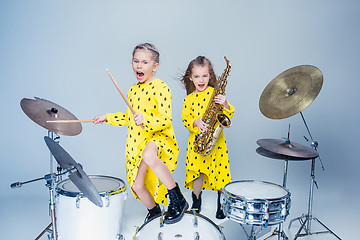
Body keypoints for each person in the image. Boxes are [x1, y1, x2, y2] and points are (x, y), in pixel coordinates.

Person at [93, 43, 188, 224]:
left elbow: (165, 119)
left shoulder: (161, 87)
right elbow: (130, 117)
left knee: (149, 154)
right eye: (136, 61)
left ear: (155, 66)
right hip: (138, 142)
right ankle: (153, 212)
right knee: (137, 185)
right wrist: (107, 117)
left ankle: (178, 199)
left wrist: (146, 119)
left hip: (159, 137)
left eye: (144, 62)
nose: (139, 65)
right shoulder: (132, 90)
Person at [180, 56, 234, 219]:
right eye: (196, 76)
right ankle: (196, 202)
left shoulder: (216, 94)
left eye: (204, 75)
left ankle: (221, 205)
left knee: (219, 173)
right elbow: (185, 119)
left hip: (216, 143)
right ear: (190, 77)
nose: (201, 80)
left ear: (210, 76)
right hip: (197, 142)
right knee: (196, 172)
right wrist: (195, 122)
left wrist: (224, 103)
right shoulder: (188, 99)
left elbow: (228, 114)